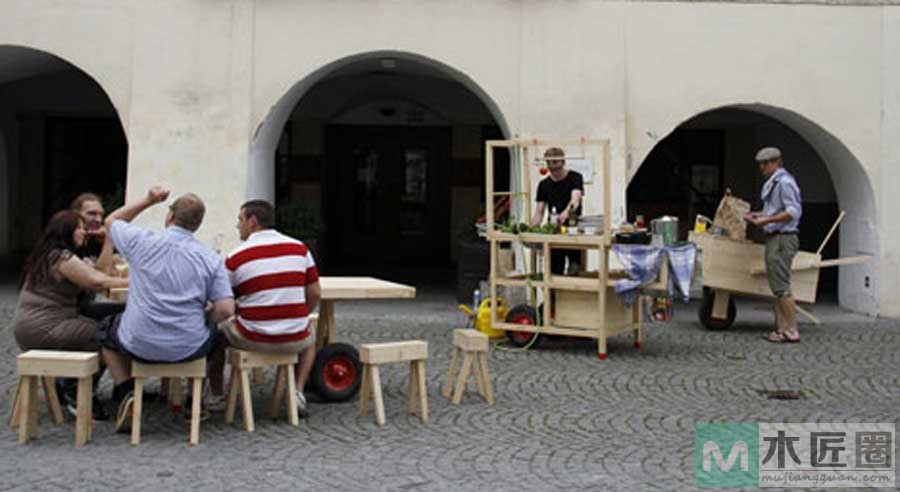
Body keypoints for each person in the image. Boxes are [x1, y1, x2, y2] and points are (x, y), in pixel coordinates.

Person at [99, 186, 235, 431]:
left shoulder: (141, 242)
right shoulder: (210, 258)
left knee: (106, 329)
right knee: (217, 339)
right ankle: (195, 400)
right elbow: (226, 309)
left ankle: (125, 390)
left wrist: (149, 200)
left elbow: (112, 221)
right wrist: (206, 317)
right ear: (198, 225)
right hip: (188, 346)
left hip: (138, 342)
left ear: (170, 216)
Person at [207, 200, 321, 417]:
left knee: (216, 335)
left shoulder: (236, 257)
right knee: (311, 336)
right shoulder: (299, 249)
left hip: (252, 336)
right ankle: (297, 391)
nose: (237, 225)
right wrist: (301, 314)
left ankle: (216, 394)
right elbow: (315, 292)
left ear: (253, 221)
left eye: (240, 220)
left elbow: (224, 301)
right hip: (294, 337)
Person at [11, 209, 128, 419]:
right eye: (80, 229)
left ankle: (103, 388)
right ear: (67, 231)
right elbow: (97, 281)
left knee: (111, 321)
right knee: (108, 332)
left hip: (36, 325)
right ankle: (79, 389)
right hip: (45, 327)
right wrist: (138, 282)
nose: (84, 233)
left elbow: (97, 274)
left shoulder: (52, 254)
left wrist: (107, 241)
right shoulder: (61, 257)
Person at [744, 147, 803, 343]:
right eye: (760, 164)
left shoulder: (784, 183)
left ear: (775, 162)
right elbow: (774, 210)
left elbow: (793, 211)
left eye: (765, 163)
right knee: (778, 286)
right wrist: (757, 215)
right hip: (775, 237)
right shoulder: (775, 182)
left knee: (782, 286)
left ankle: (792, 329)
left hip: (782, 238)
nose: (762, 167)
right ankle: (782, 328)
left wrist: (766, 221)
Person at [530, 147, 584, 274]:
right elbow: (539, 212)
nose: (553, 170)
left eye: (556, 166)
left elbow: (575, 200)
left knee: (575, 270)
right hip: (553, 231)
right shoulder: (544, 185)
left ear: (563, 162)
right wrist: (532, 229)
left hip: (573, 229)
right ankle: (554, 294)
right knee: (553, 271)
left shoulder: (575, 177)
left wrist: (565, 213)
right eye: (550, 166)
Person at [70, 192, 106, 259]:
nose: (99, 220)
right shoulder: (65, 243)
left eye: (101, 215)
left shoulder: (99, 240)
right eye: (92, 213)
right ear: (75, 214)